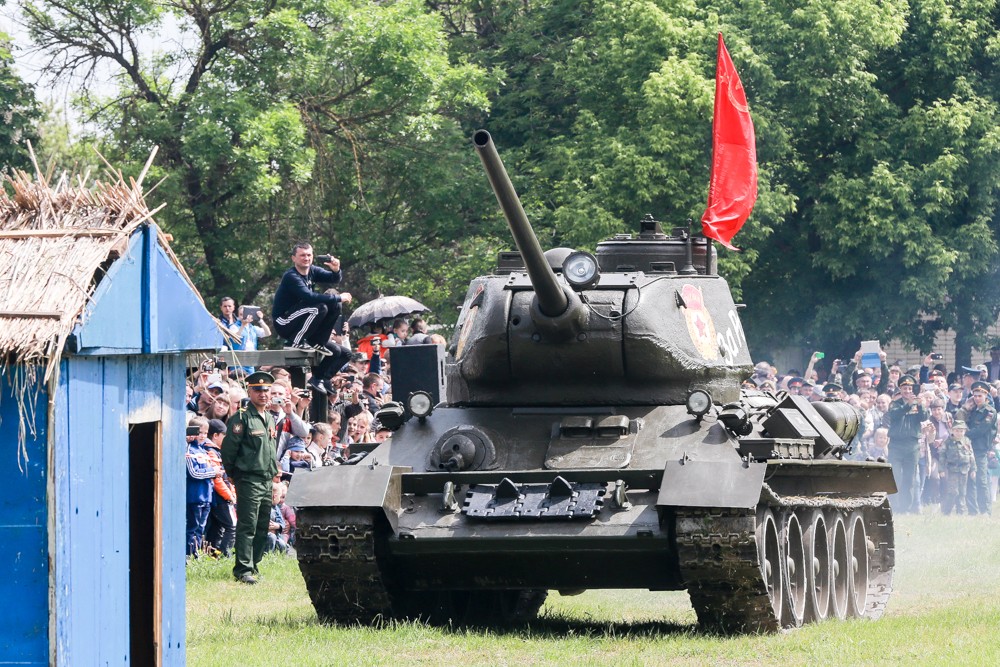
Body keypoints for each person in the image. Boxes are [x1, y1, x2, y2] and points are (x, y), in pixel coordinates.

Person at [271, 242, 354, 394]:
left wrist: (336, 270)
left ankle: (320, 378)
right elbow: (308, 297)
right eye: (302, 255)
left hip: (304, 322)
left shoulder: (312, 271)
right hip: (284, 322)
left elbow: (334, 279)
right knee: (321, 307)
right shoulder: (291, 276)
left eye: (309, 255)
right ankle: (295, 342)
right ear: (294, 258)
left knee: (342, 353)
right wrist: (338, 297)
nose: (306, 258)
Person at [221, 371, 279, 584]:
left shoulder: (269, 418)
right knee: (248, 524)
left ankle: (254, 564)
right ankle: (243, 570)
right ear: (250, 391)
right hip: (249, 478)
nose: (263, 394)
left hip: (266, 479)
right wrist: (233, 474)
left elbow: (270, 449)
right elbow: (229, 450)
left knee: (262, 525)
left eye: (266, 390)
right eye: (258, 390)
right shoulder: (242, 417)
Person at [886, 375, 927, 513]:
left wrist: (920, 405)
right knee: (895, 477)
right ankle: (894, 506)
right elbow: (895, 415)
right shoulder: (895, 403)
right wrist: (908, 404)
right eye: (905, 388)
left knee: (909, 479)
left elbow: (924, 417)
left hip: (912, 445)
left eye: (910, 388)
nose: (907, 391)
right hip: (896, 445)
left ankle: (906, 508)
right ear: (900, 389)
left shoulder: (917, 404)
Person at [957, 380, 997, 515]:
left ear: (986, 396)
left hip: (980, 449)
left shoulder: (989, 412)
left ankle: (985, 510)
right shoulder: (972, 410)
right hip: (968, 449)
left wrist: (964, 433)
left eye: (980, 396)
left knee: (981, 480)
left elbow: (981, 430)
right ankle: (973, 511)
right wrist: (964, 408)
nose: (977, 398)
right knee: (970, 480)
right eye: (975, 395)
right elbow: (959, 421)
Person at [185, 417, 219, 557]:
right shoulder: (189, 450)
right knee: (192, 528)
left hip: (206, 497)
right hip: (194, 497)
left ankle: (196, 555)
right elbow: (193, 473)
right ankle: (188, 555)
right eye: (199, 432)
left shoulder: (203, 450)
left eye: (205, 433)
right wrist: (213, 472)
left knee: (201, 529)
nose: (203, 436)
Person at [203, 419, 237, 557]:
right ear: (215, 435)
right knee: (232, 526)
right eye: (225, 436)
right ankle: (224, 556)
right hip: (220, 497)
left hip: (216, 497)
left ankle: (213, 556)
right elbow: (217, 480)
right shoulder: (211, 451)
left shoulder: (213, 450)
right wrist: (229, 495)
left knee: (217, 528)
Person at [940, 421, 975, 515]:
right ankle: (946, 512)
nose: (959, 433)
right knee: (953, 492)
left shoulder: (967, 441)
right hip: (952, 470)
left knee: (962, 492)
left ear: (964, 431)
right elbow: (942, 456)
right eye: (957, 431)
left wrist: (973, 469)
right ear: (952, 430)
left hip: (964, 470)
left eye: (961, 431)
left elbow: (971, 455)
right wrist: (941, 469)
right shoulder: (948, 442)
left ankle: (961, 512)